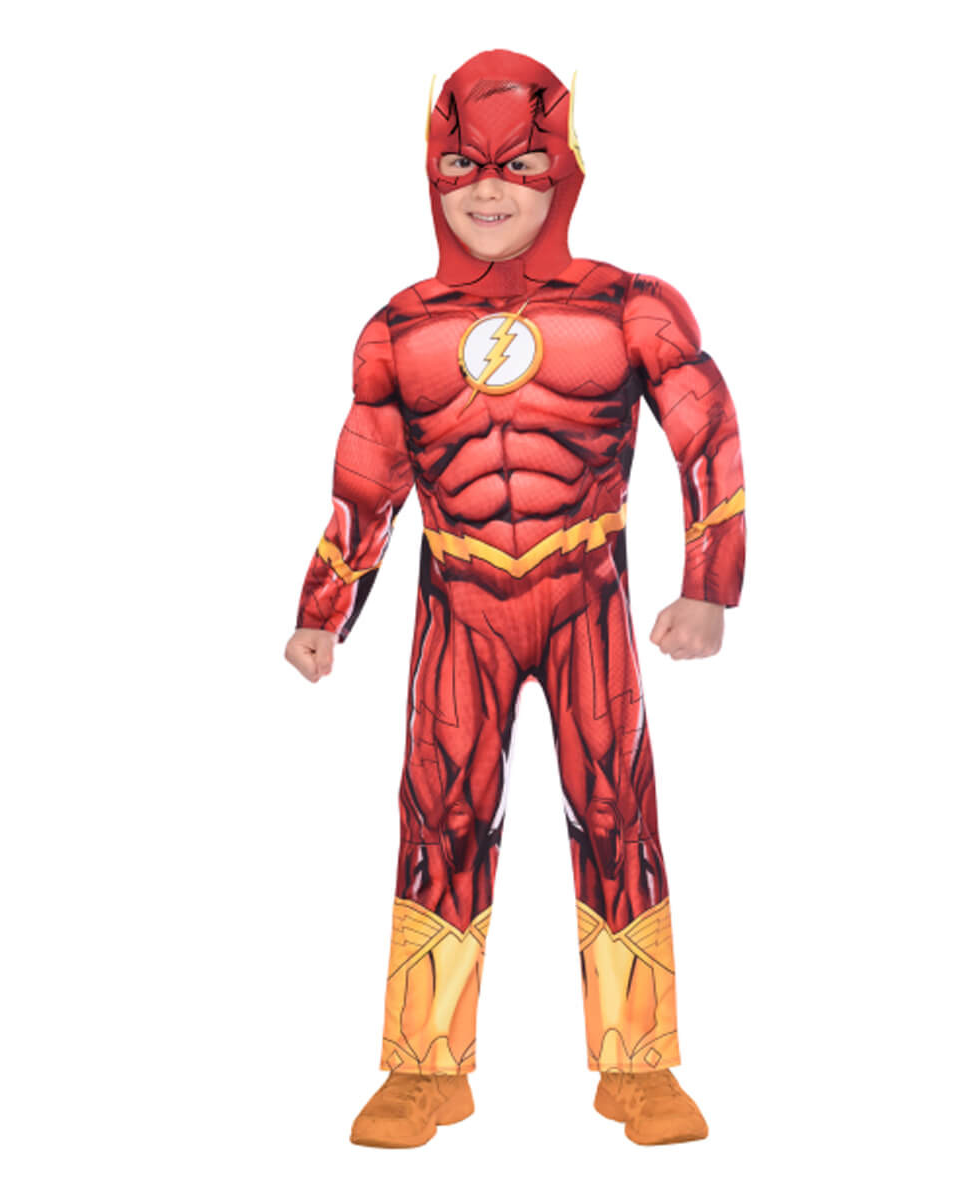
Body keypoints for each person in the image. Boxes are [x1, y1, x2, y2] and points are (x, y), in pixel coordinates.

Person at [285, 48, 745, 1148]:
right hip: (459, 601)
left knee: (617, 812)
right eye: (462, 166)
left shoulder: (628, 307)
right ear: (431, 172)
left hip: (587, 592)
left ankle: (637, 1066)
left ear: (563, 169)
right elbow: (367, 479)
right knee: (437, 818)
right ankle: (424, 1070)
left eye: (518, 164)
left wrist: (708, 588)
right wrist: (320, 608)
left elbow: (706, 433)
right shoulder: (399, 328)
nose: (487, 190)